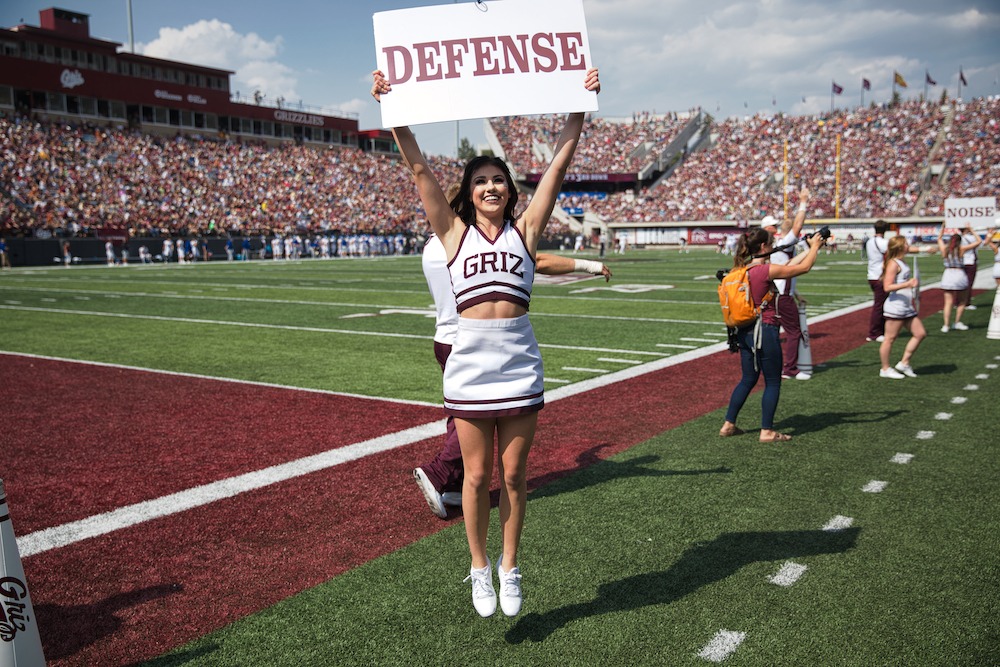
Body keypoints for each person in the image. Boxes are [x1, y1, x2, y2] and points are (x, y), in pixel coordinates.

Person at [373, 66, 601, 618]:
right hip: (470, 357)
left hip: (519, 356)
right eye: (481, 181)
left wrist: (579, 109)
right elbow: (419, 167)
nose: (491, 187)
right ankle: (478, 568)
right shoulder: (451, 233)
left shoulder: (526, 232)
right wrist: (393, 111)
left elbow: (557, 169)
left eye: (498, 180)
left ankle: (510, 565)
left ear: (509, 190)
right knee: (476, 476)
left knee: (516, 475)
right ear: (469, 193)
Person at [415, 226, 612, 521]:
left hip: (444, 336)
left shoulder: (435, 243)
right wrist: (589, 265)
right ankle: (438, 472)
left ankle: (454, 481)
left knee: (459, 413)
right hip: (469, 337)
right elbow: (538, 261)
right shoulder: (466, 242)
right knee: (477, 417)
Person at [718, 226, 826, 443]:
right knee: (773, 381)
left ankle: (729, 424)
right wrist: (815, 247)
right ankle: (766, 431)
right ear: (764, 246)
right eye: (771, 242)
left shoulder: (743, 269)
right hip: (764, 330)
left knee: (748, 378)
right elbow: (803, 268)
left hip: (745, 332)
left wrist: (809, 246)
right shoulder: (765, 271)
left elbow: (787, 265)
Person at [761, 187, 810, 380]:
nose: (775, 227)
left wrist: (796, 293)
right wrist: (803, 202)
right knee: (793, 332)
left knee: (772, 332)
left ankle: (771, 366)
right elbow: (797, 226)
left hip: (776, 293)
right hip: (781, 296)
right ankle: (789, 369)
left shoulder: (768, 246)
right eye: (772, 225)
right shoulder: (779, 244)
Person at [878, 236, 926, 378]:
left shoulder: (901, 261)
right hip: (896, 307)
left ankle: (904, 363)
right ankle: (885, 369)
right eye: (905, 243)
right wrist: (908, 284)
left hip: (906, 306)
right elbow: (887, 287)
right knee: (889, 339)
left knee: (920, 333)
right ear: (899, 246)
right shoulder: (893, 263)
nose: (908, 245)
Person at [937, 221, 981, 332]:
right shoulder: (961, 249)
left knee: (948, 303)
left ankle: (946, 325)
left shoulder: (945, 250)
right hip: (960, 274)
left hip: (947, 275)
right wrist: (971, 230)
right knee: (962, 301)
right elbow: (979, 241)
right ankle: (956, 322)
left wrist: (943, 227)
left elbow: (939, 239)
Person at [863, 220, 890, 342]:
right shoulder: (884, 242)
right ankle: (874, 333)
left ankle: (881, 330)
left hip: (872, 275)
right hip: (880, 276)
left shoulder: (869, 242)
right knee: (879, 306)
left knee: (880, 305)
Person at [960, 224, 983, 310]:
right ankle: (966, 303)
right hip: (970, 262)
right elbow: (980, 241)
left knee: (962, 284)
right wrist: (972, 230)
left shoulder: (959, 238)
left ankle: (958, 302)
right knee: (969, 283)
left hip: (962, 262)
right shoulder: (971, 237)